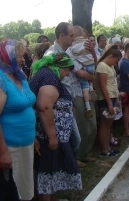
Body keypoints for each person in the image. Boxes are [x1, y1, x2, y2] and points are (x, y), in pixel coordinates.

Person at [0, 40, 36, 201]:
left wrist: (33, 136)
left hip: (26, 144)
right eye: (19, 56)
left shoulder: (19, 76)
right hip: (11, 146)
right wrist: (3, 151)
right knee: (13, 191)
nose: (23, 59)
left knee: (25, 187)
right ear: (7, 57)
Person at [29, 53, 82, 201]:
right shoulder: (49, 77)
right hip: (47, 135)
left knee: (51, 168)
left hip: (48, 134)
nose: (66, 76)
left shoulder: (47, 74)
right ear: (60, 67)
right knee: (47, 168)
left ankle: (51, 198)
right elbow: (44, 107)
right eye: (67, 71)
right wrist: (52, 136)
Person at [45, 22, 96, 168]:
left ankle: (71, 161)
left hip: (68, 100)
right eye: (71, 35)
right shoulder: (51, 55)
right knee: (67, 138)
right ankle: (67, 164)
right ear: (62, 36)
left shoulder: (66, 52)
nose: (74, 38)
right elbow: (52, 83)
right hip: (58, 104)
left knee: (75, 138)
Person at [95, 45, 123, 157]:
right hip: (106, 99)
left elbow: (113, 84)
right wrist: (110, 103)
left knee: (108, 126)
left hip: (112, 97)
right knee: (104, 125)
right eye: (116, 60)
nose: (116, 63)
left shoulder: (109, 66)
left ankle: (108, 148)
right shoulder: (102, 66)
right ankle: (104, 150)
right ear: (111, 56)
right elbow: (103, 86)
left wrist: (116, 99)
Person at [68, 26, 96, 118]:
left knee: (85, 86)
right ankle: (91, 88)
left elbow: (81, 73)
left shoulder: (72, 47)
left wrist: (93, 51)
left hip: (84, 69)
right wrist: (93, 78)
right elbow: (81, 73)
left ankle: (87, 106)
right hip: (91, 67)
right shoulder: (88, 43)